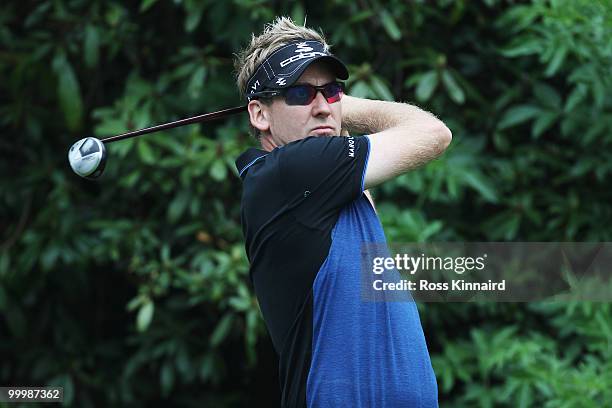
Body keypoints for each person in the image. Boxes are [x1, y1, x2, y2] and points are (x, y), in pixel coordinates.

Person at [233, 17, 452, 408]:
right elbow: (433, 134)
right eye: (300, 94)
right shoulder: (290, 172)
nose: (321, 107)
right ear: (260, 114)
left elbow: (357, 180)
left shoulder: (324, 188)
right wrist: (344, 107)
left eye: (332, 91)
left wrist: (327, 109)